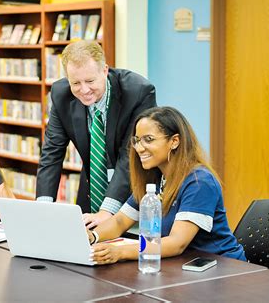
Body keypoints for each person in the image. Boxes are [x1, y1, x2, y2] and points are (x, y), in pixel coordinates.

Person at [88, 106, 246, 264]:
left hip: (221, 268)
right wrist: (92, 236)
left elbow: (177, 243)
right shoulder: (154, 179)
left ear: (174, 141)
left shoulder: (200, 182)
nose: (139, 148)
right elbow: (119, 221)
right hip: (180, 265)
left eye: (148, 139)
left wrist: (120, 252)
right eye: (136, 140)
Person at [36, 40, 156, 228]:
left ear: (105, 70)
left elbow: (130, 154)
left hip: (133, 191)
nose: (84, 90)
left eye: (90, 81)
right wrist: (42, 208)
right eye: (75, 83)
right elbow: (52, 152)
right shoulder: (61, 94)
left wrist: (106, 211)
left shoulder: (138, 91)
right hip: (91, 189)